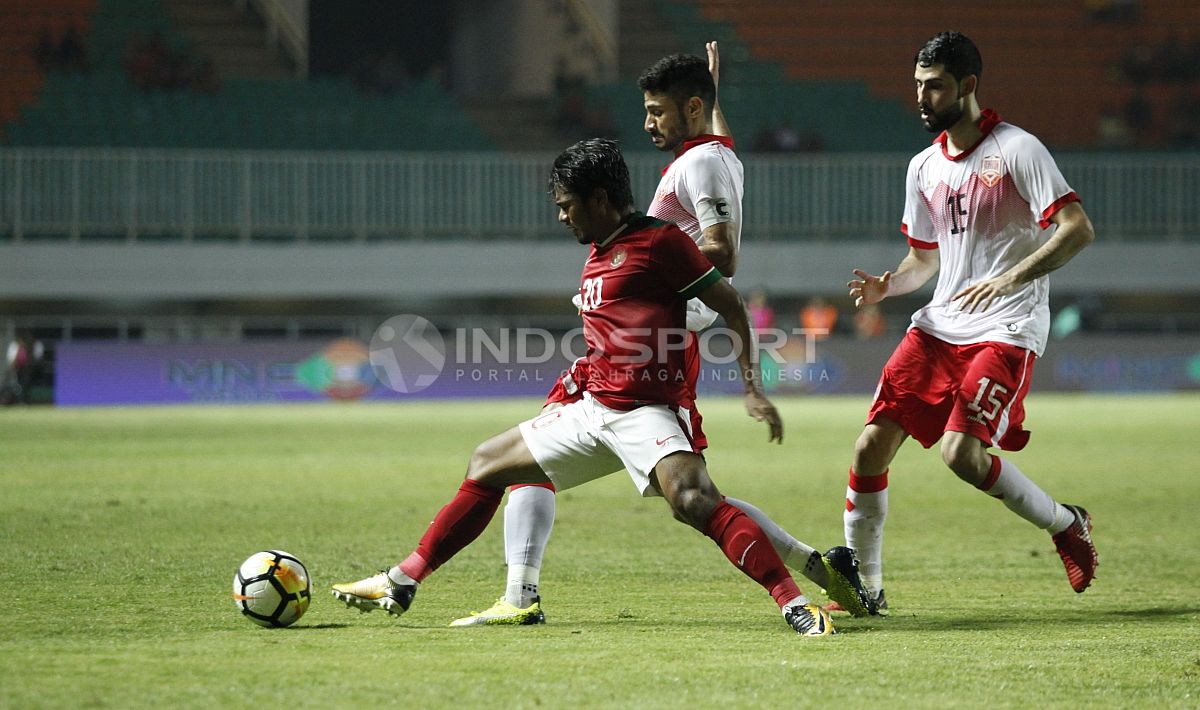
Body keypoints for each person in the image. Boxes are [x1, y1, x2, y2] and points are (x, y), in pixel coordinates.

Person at [333, 138, 837, 636]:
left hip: (646, 412)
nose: (561, 216)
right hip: (593, 408)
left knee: (693, 500)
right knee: (487, 463)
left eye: (567, 205)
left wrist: (752, 386)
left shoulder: (661, 244)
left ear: (599, 199)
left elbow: (731, 306)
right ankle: (403, 580)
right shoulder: (599, 252)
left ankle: (793, 603)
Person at [455, 45, 874, 627]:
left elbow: (723, 254)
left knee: (677, 492)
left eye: (657, 111)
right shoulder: (717, 155)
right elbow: (715, 144)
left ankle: (517, 594)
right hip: (651, 331)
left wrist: (633, 273)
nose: (648, 123)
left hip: (659, 337)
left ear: (692, 109)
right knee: (689, 494)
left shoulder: (696, 166)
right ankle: (821, 564)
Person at [832, 32, 1099, 614]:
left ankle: (1064, 523)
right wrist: (888, 284)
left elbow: (1076, 228)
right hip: (938, 328)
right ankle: (866, 591)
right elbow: (923, 260)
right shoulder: (922, 166)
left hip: (1006, 327)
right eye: (919, 87)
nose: (923, 99)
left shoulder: (1017, 150)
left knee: (961, 455)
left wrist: (1013, 278)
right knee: (869, 448)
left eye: (936, 87)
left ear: (969, 86)